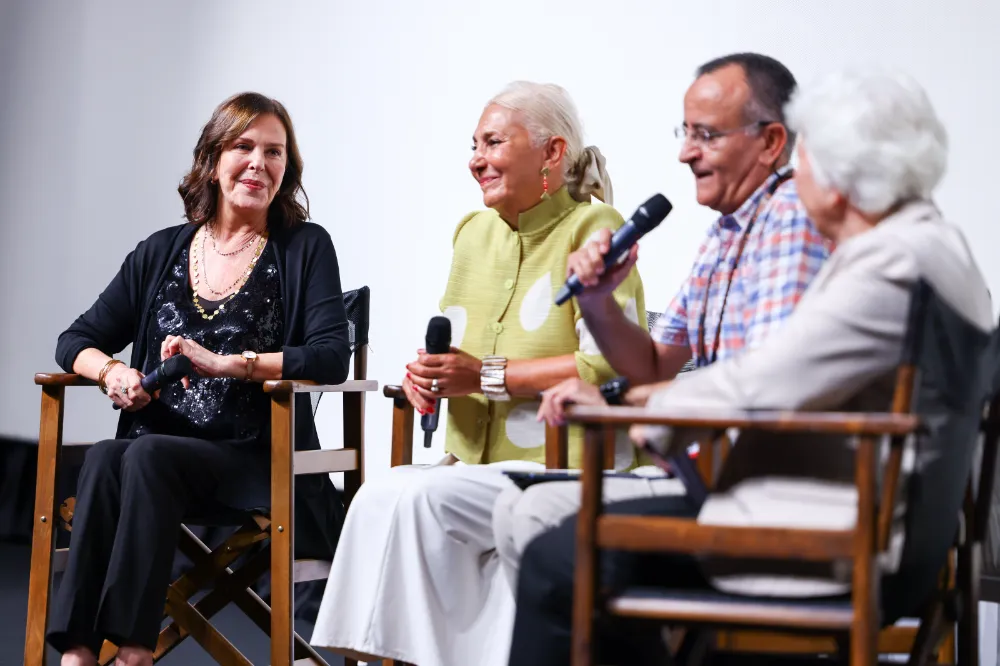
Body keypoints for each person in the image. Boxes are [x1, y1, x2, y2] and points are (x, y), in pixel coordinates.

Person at [508, 67, 994, 666]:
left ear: (839, 176)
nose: (798, 170)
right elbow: (688, 365)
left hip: (829, 535)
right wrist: (605, 318)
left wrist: (624, 405)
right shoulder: (931, 247)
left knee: (555, 561)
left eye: (807, 155)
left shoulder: (890, 265)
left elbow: (762, 384)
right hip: (860, 522)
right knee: (561, 549)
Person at [310, 81, 645, 666]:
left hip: (560, 456)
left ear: (552, 153)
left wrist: (485, 376)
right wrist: (428, 376)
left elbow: (608, 367)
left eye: (492, 141)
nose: (475, 159)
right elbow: (458, 353)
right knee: (375, 497)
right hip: (473, 457)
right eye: (473, 144)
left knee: (419, 500)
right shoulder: (471, 233)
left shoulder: (597, 230)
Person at [492, 52, 831, 590]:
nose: (684, 153)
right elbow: (652, 366)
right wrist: (599, 303)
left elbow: (760, 391)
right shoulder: (726, 233)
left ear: (770, 143)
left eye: (707, 135)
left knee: (540, 523)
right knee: (526, 508)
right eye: (685, 131)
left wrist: (616, 401)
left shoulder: (789, 218)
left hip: (764, 498)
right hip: (717, 480)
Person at [48, 92, 352, 666]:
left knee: (142, 456)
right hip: (159, 459)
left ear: (288, 169)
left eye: (275, 151)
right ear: (214, 159)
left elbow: (331, 355)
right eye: (244, 146)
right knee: (103, 459)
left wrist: (230, 362)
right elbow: (73, 342)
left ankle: (135, 648)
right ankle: (79, 653)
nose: (259, 162)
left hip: (254, 458)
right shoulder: (161, 251)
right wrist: (113, 372)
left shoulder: (304, 247)